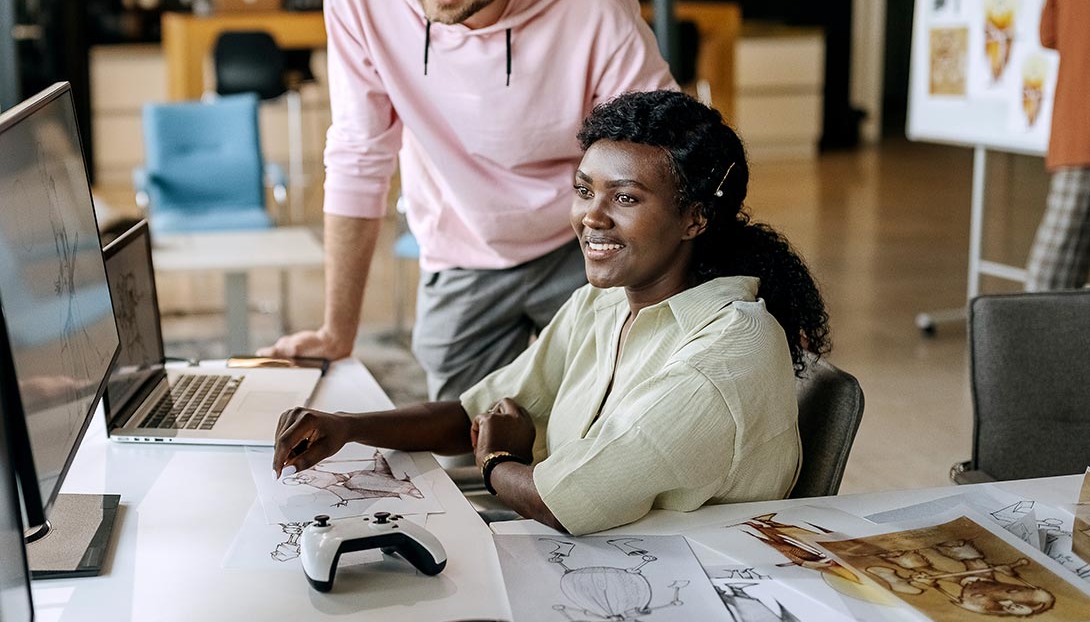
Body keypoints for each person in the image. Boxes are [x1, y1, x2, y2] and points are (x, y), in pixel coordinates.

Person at [272, 90, 830, 535]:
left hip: (690, 586)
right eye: (584, 190)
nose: (593, 217)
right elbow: (476, 411)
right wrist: (346, 426)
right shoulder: (605, 301)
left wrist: (495, 462)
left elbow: (562, 499)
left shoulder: (721, 357)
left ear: (696, 220)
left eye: (626, 198)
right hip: (606, 550)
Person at [262, 0, 675, 399]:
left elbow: (659, 153)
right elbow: (359, 151)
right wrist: (337, 330)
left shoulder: (595, 7)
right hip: (462, 243)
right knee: (461, 445)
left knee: (608, 423)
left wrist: (658, 288)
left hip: (580, 241)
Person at [1026, 0, 1090, 291]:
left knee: (1058, 267)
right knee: (1055, 270)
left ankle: (1032, 345)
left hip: (1075, 127)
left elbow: (1047, 33)